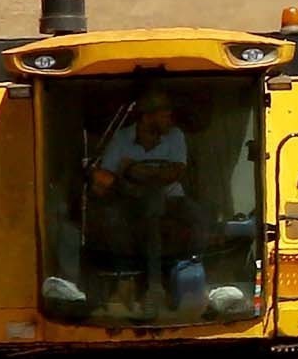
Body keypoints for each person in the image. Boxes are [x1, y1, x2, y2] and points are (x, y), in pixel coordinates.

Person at [86, 87, 210, 309]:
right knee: (115, 219)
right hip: (131, 201)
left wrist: (133, 169)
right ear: (146, 117)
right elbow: (108, 175)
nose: (170, 120)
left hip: (173, 200)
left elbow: (174, 173)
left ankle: (190, 273)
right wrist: (146, 174)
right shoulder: (122, 138)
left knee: (199, 217)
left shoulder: (175, 136)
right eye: (165, 115)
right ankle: (133, 280)